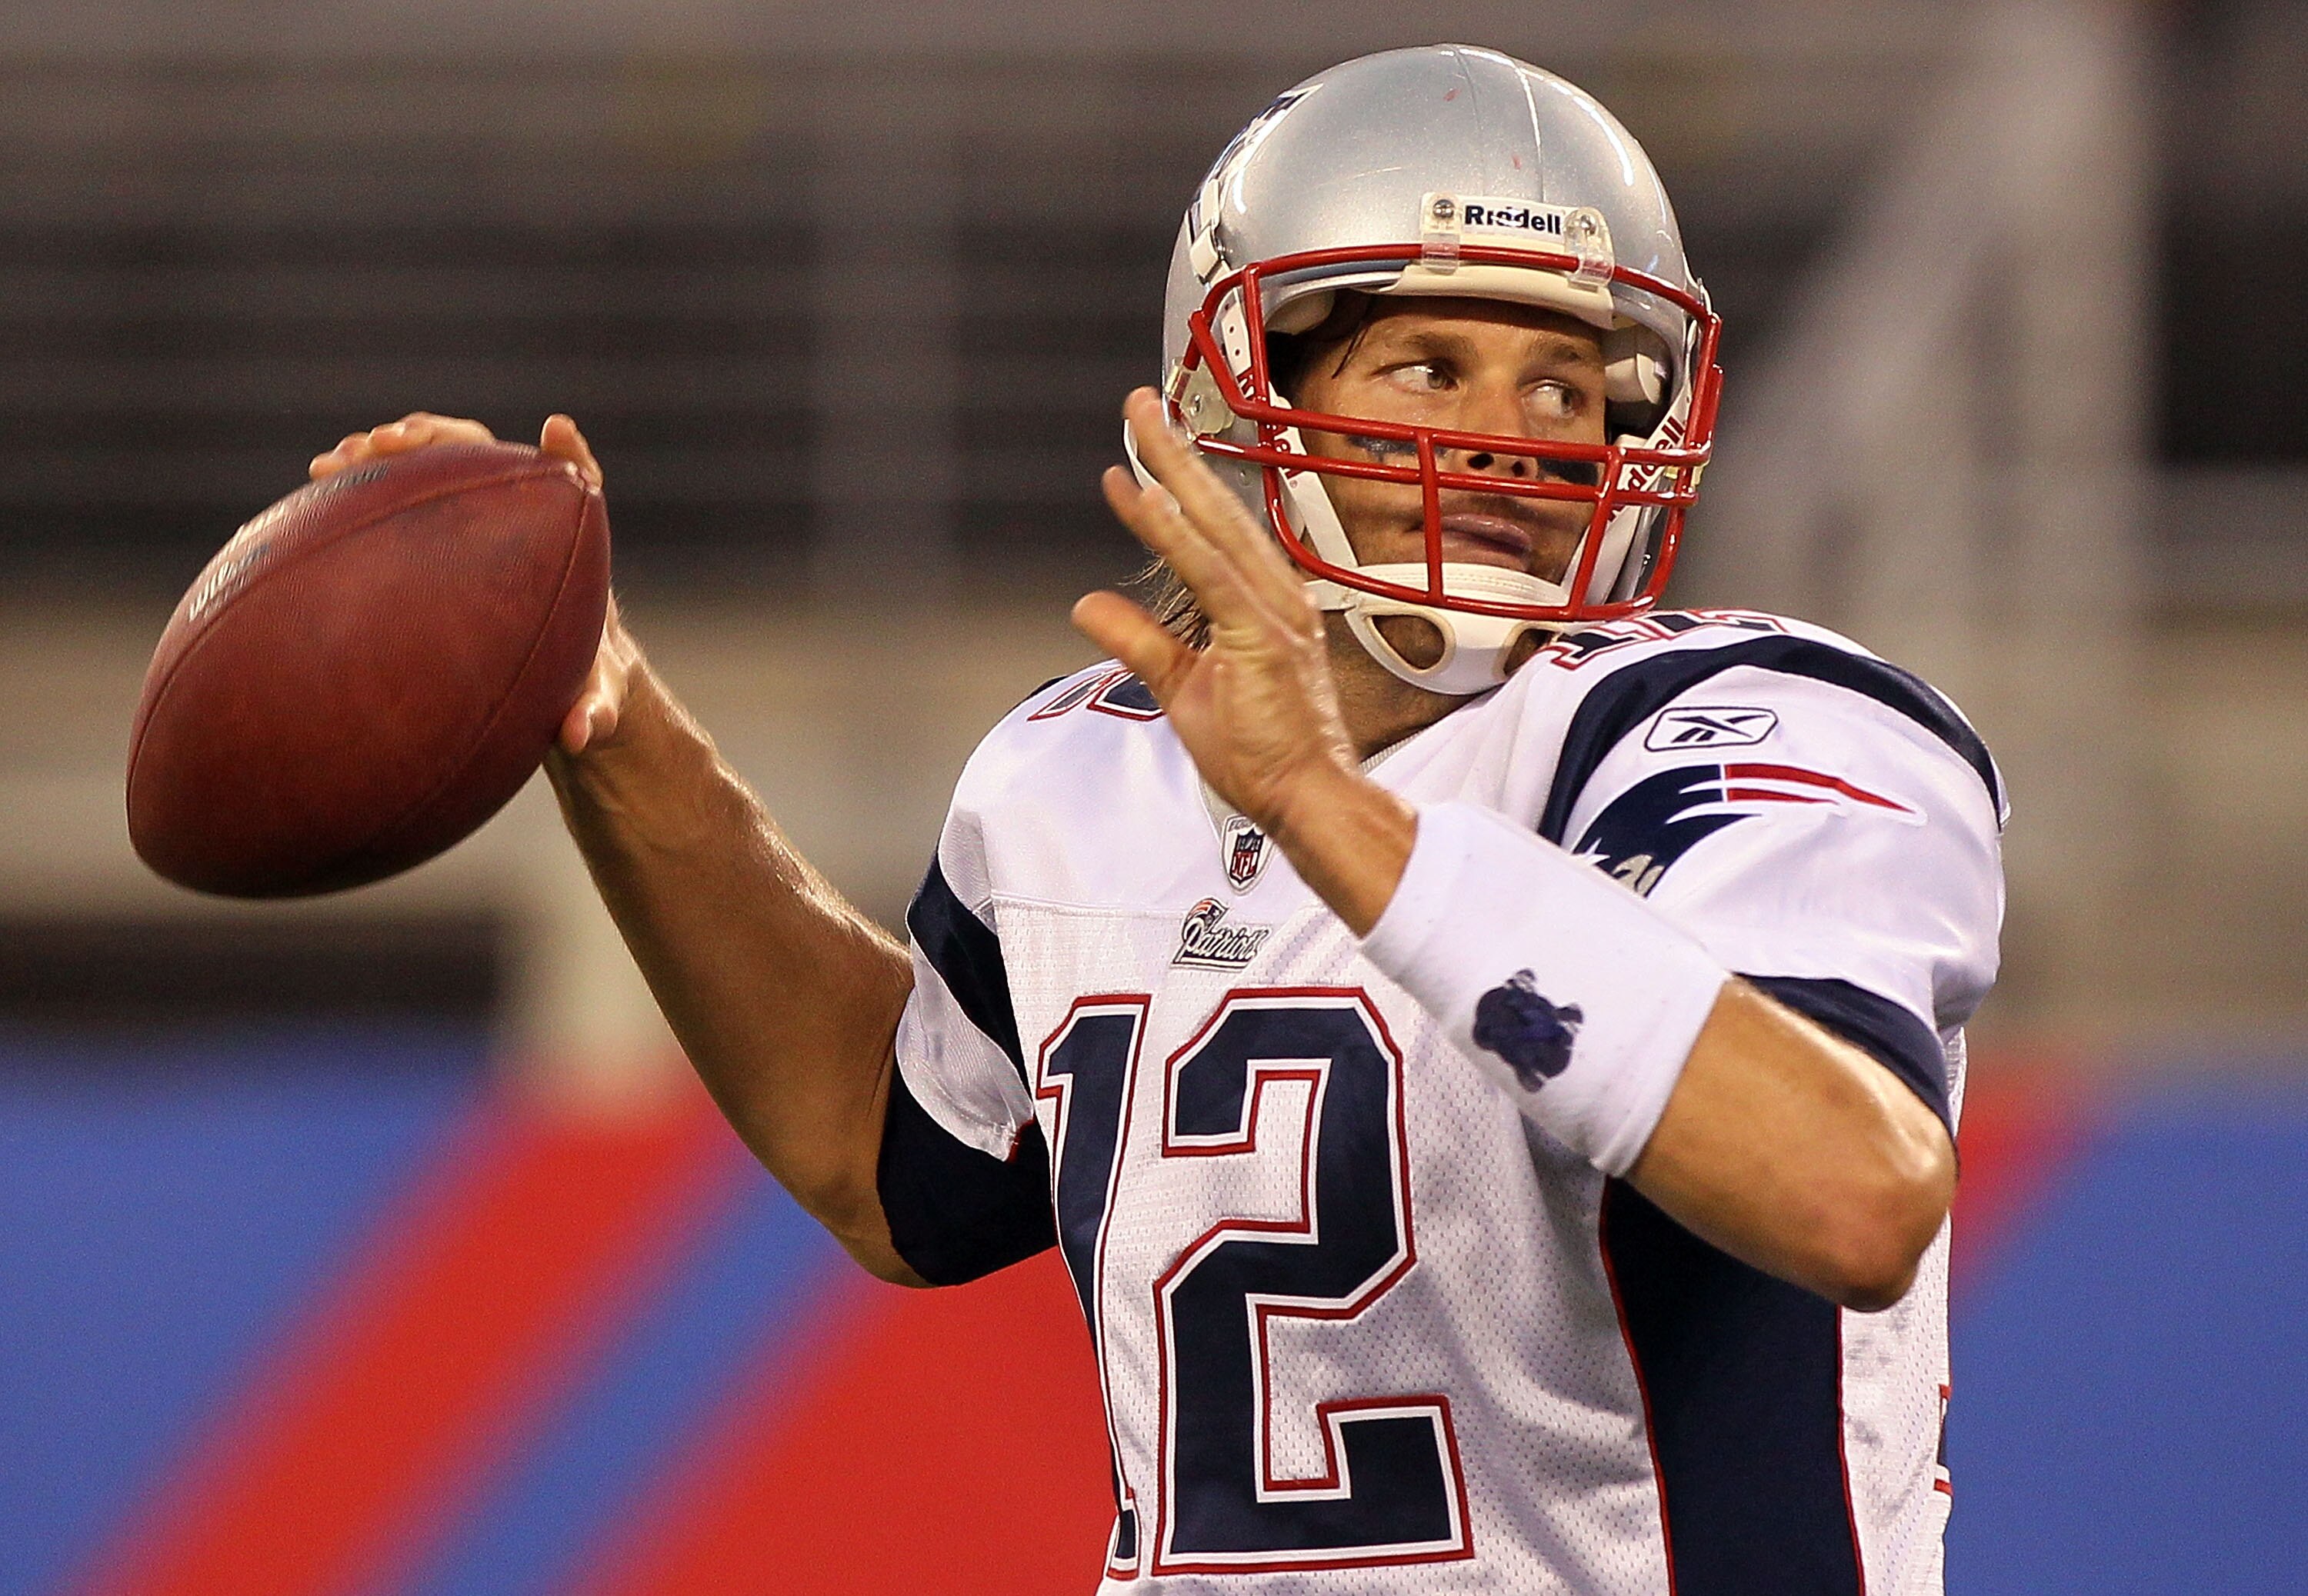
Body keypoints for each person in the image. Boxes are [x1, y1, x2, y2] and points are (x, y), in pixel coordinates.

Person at [311, 45, 2001, 1596]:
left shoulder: (1755, 731)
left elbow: (1852, 1192)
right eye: (1433, 366)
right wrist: (602, 711)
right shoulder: (1083, 773)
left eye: (1568, 389)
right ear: (1251, 390)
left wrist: (1334, 816)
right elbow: (889, 1164)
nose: (1508, 442)